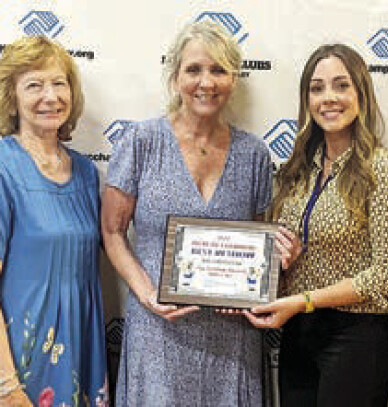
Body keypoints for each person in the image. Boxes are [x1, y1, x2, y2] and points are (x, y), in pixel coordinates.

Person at [101, 21, 272, 406]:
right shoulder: (142, 142)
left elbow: (261, 245)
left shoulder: (255, 154)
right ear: (175, 77)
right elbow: (112, 232)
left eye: (218, 70)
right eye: (194, 69)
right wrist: (145, 292)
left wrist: (267, 271)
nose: (206, 82)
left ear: (233, 79)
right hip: (158, 330)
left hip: (231, 339)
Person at [245, 44, 388, 407]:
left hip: (358, 336)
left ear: (361, 94)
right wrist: (279, 263)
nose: (328, 98)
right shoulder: (297, 171)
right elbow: (287, 258)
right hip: (299, 332)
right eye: (316, 88)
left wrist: (304, 301)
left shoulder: (381, 169)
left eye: (341, 85)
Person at [0, 36, 108, 406]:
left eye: (59, 83)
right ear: (12, 98)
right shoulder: (3, 165)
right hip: (21, 357)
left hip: (83, 348)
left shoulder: (85, 171)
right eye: (34, 85)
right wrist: (6, 385)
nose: (50, 96)